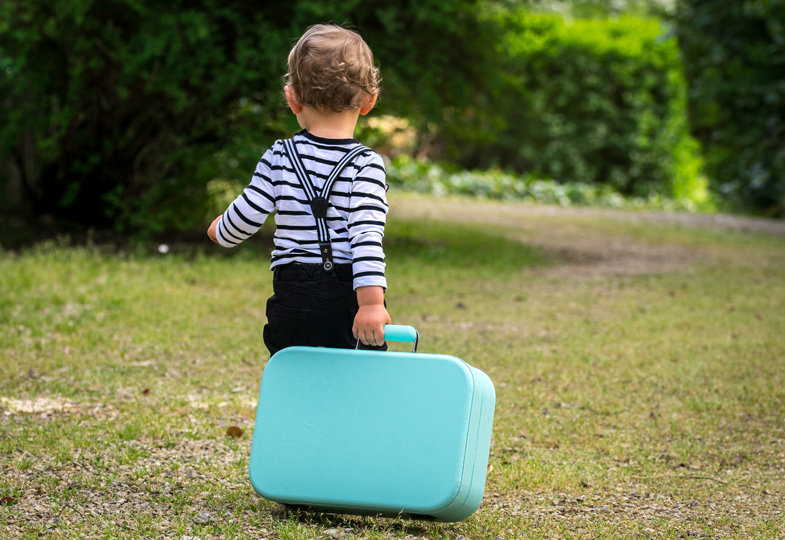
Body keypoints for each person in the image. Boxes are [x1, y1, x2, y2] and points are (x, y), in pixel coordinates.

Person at [207, 24, 391, 355]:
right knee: (356, 378)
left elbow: (247, 215)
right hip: (347, 299)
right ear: (369, 101)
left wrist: (221, 230)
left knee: (293, 370)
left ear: (292, 99)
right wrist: (371, 305)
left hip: (293, 296)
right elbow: (366, 237)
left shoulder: (279, 155)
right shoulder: (367, 165)